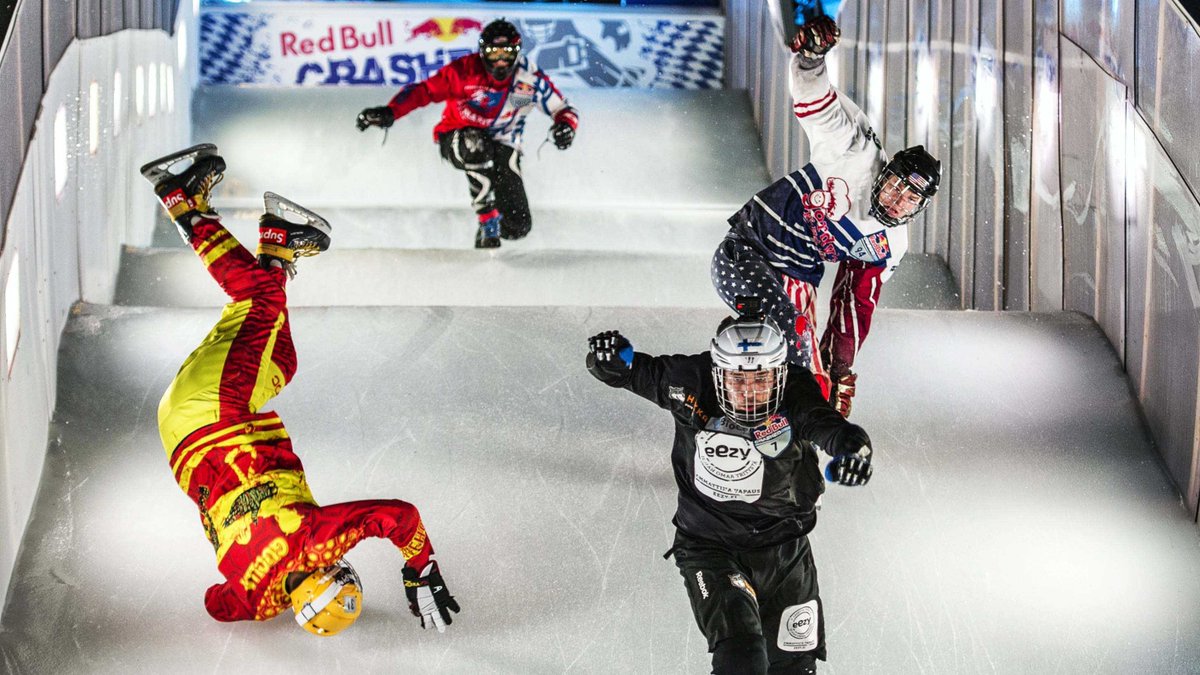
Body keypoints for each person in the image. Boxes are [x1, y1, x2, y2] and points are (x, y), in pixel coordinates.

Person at [140, 143, 460, 636]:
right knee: (280, 360)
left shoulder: (314, 543)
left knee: (259, 301)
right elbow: (215, 603)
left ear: (326, 572)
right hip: (185, 437)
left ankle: (181, 201)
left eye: (339, 573)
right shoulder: (255, 602)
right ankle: (277, 241)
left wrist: (421, 569)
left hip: (215, 412)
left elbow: (399, 518)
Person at [585, 296, 875, 674]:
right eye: (738, 380)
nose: (750, 392)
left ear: (781, 375)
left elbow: (831, 427)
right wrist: (605, 360)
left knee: (793, 667)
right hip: (710, 545)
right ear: (717, 373)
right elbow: (629, 372)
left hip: (785, 550)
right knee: (742, 655)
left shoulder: (798, 391)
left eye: (761, 380)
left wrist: (854, 453)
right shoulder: (690, 380)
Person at [711, 15, 941, 417]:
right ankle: (729, 409)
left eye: (908, 200)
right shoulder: (852, 149)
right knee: (790, 336)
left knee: (811, 374)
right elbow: (813, 103)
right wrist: (813, 57)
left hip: (798, 272)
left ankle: (791, 438)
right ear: (883, 172)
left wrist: (840, 367)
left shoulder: (889, 244)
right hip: (750, 245)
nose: (895, 201)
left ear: (918, 210)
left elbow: (855, 304)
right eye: (893, 186)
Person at [356, 18, 579, 249]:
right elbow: (424, 91)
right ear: (483, 53)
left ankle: (490, 239)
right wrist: (392, 111)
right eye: (494, 53)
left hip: (504, 142)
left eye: (507, 53)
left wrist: (565, 127)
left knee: (517, 225)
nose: (501, 61)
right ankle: (487, 219)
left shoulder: (530, 80)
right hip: (457, 136)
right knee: (476, 143)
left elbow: (563, 108)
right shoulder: (464, 72)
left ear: (518, 52)